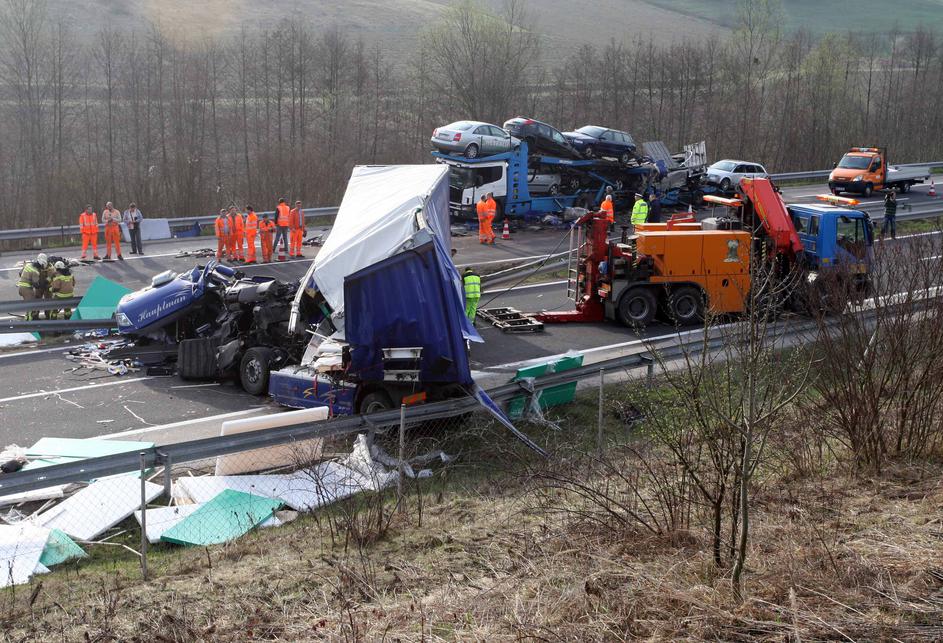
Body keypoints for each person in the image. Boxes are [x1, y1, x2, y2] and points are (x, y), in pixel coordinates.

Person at [16, 253, 48, 321]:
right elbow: (36, 285)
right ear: (42, 264)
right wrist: (44, 284)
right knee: (31, 307)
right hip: (27, 290)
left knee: (28, 306)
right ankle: (30, 323)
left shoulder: (28, 265)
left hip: (21, 288)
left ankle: (27, 317)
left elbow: (20, 273)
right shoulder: (35, 271)